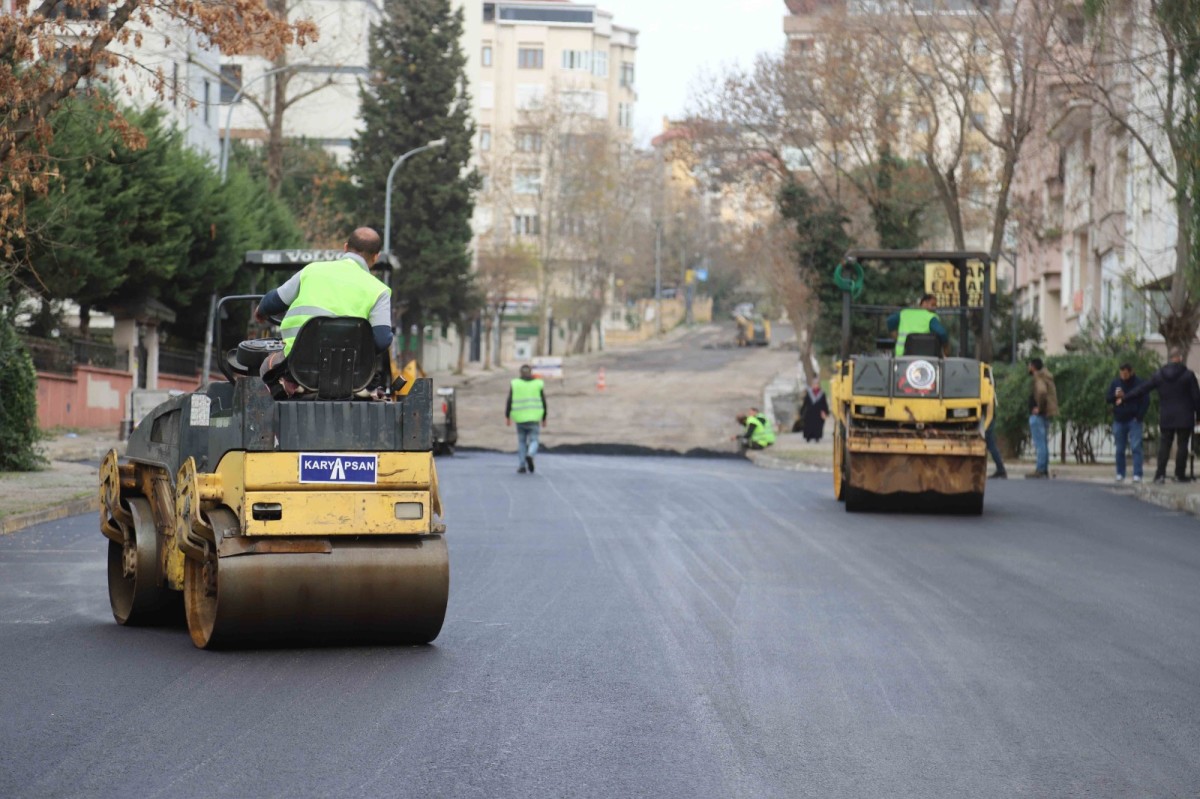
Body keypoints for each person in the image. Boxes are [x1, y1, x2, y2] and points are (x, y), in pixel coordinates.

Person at [255, 227, 392, 399]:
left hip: (296, 368)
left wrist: (261, 311)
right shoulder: (379, 290)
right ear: (375, 257)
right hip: (351, 376)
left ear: (345, 247)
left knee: (265, 367)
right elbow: (382, 339)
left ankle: (277, 409)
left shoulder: (311, 271)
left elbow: (274, 301)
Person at [1118, 348, 1200, 484]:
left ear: (1169, 358)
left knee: (1164, 445)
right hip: (1185, 415)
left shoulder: (1159, 375)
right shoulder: (1188, 375)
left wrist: (1125, 398)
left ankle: (1160, 474)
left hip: (1167, 415)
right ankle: (1179, 475)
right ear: (1180, 358)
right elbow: (1196, 397)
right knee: (1183, 445)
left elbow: (1143, 389)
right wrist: (1198, 415)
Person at [1105, 362, 1148, 483]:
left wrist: (1139, 416)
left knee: (1136, 447)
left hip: (1134, 419)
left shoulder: (1138, 383)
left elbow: (1145, 400)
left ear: (1130, 372)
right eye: (1121, 374)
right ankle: (1120, 473)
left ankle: (1137, 474)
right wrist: (1115, 396)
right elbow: (1108, 399)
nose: (1123, 376)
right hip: (1119, 419)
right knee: (1119, 448)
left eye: (1125, 374)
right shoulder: (1116, 383)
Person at [506, 364, 547, 474]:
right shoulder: (538, 383)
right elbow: (543, 401)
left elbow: (509, 400)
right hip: (534, 417)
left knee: (521, 442)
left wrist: (507, 416)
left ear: (520, 373)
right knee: (534, 440)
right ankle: (530, 454)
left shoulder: (515, 383)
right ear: (531, 372)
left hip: (519, 418)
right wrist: (544, 417)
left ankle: (522, 465)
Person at [1025, 357, 1058, 479]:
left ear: (1033, 367)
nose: (1028, 368)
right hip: (1044, 414)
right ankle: (1043, 468)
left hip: (1038, 415)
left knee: (1039, 443)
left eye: (1029, 365)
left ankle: (1040, 469)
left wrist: (1038, 407)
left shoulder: (1038, 378)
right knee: (1043, 442)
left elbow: (1042, 392)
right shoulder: (1046, 377)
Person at [985, 371, 1006, 479]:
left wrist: (985, 426)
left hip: (987, 421)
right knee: (991, 445)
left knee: (991, 445)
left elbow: (989, 411)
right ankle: (1000, 469)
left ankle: (1001, 469)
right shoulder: (990, 389)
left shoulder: (987, 389)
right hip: (989, 420)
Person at [795, 378, 829, 442]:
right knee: (809, 426)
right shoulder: (809, 393)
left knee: (818, 426)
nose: (815, 385)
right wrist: (801, 411)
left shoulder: (822, 394)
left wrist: (826, 411)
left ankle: (817, 437)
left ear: (818, 385)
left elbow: (824, 404)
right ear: (812, 385)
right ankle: (808, 437)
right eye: (814, 384)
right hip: (810, 413)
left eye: (816, 384)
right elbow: (805, 403)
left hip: (818, 413)